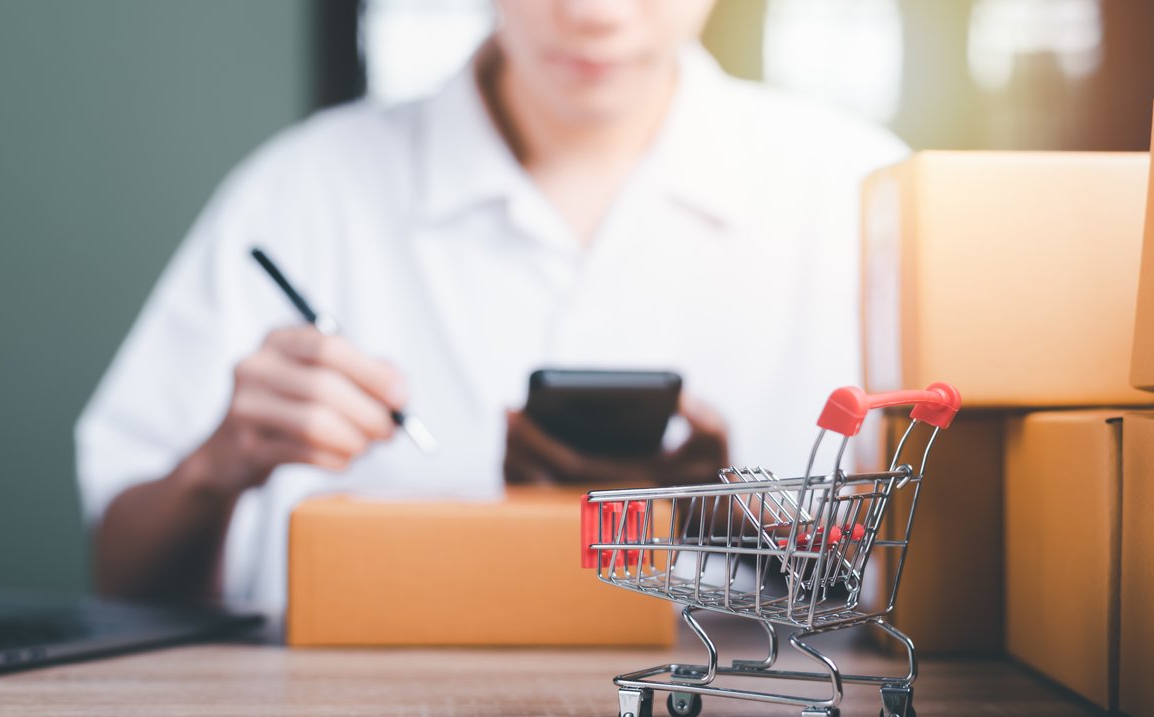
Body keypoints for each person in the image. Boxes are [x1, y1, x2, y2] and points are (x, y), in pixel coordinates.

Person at [76, 0, 908, 615]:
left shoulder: (865, 198)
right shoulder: (301, 189)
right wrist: (217, 467)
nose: (594, 13)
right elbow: (124, 579)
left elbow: (930, 595)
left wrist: (720, 513)